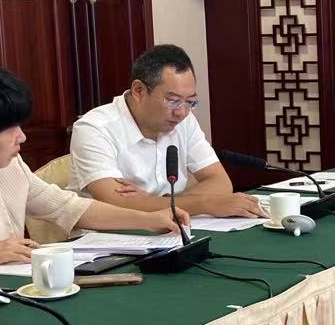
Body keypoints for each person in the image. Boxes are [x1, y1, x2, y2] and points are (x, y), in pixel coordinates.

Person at [0, 63, 189, 283]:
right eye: (10, 129)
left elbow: (68, 207)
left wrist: (148, 219)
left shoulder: (7, 169)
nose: (22, 137)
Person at [68, 45, 266, 218]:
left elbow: (220, 183)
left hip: (174, 230)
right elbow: (116, 203)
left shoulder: (184, 121)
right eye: (173, 101)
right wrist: (204, 203)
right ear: (139, 91)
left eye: (190, 102)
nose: (182, 112)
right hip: (110, 239)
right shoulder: (94, 128)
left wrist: (158, 201)